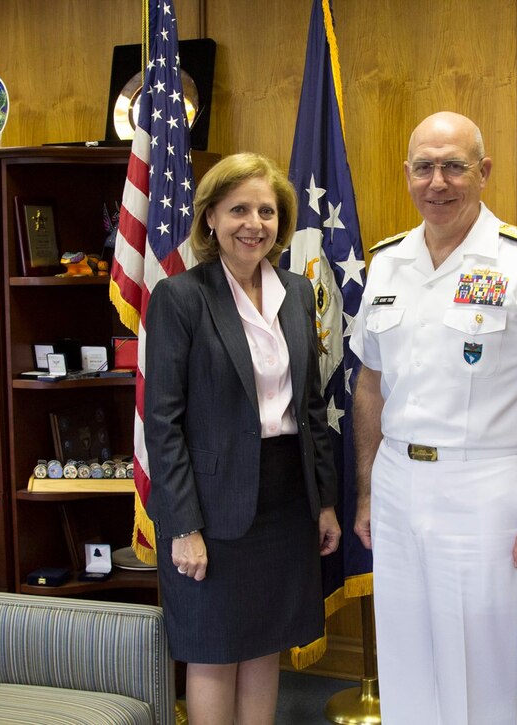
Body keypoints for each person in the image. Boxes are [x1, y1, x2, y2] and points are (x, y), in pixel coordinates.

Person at [350, 112, 517, 724]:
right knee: (405, 665)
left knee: (480, 676)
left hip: (484, 490)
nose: (438, 182)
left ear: (483, 172)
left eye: (454, 166)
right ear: (407, 174)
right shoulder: (386, 263)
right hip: (395, 486)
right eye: (424, 167)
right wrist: (366, 494)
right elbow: (369, 386)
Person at [144, 152, 341, 725]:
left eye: (266, 211)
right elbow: (164, 422)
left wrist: (323, 502)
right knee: (214, 649)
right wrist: (183, 526)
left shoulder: (298, 294)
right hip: (211, 504)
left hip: (285, 497)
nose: (254, 223)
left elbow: (310, 405)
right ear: (209, 218)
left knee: (264, 643)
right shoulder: (181, 297)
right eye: (238, 210)